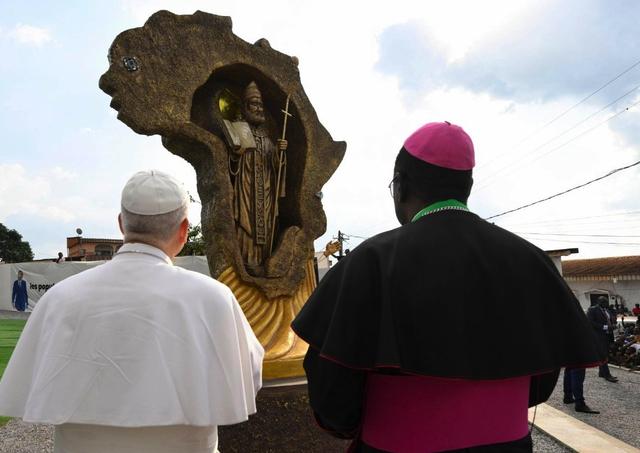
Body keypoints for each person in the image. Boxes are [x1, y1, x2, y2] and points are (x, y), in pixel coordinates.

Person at [292, 121, 604, 453]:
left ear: (400, 186)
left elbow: (332, 389)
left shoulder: (370, 260)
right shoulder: (531, 260)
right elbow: (541, 377)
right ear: (466, 186)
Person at [0, 170, 264, 453]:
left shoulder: (60, 297)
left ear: (121, 223)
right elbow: (248, 374)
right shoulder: (214, 298)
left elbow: (35, 378)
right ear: (184, 230)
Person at [226, 81, 288, 276]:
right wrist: (236, 153)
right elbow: (231, 161)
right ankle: (246, 262)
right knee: (246, 223)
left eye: (261, 105)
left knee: (266, 226)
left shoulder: (267, 139)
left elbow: (277, 166)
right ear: (245, 107)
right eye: (254, 104)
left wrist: (280, 153)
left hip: (265, 190)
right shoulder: (239, 130)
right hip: (246, 187)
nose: (259, 109)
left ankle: (262, 261)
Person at [587, 296, 618, 382]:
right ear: (599, 302)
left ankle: (601, 372)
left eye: (606, 302)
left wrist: (613, 323)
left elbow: (611, 319)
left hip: (608, 335)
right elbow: (590, 322)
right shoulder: (592, 310)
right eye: (604, 302)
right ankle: (607, 375)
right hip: (599, 336)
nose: (606, 303)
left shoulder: (607, 310)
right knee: (603, 355)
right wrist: (605, 327)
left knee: (605, 354)